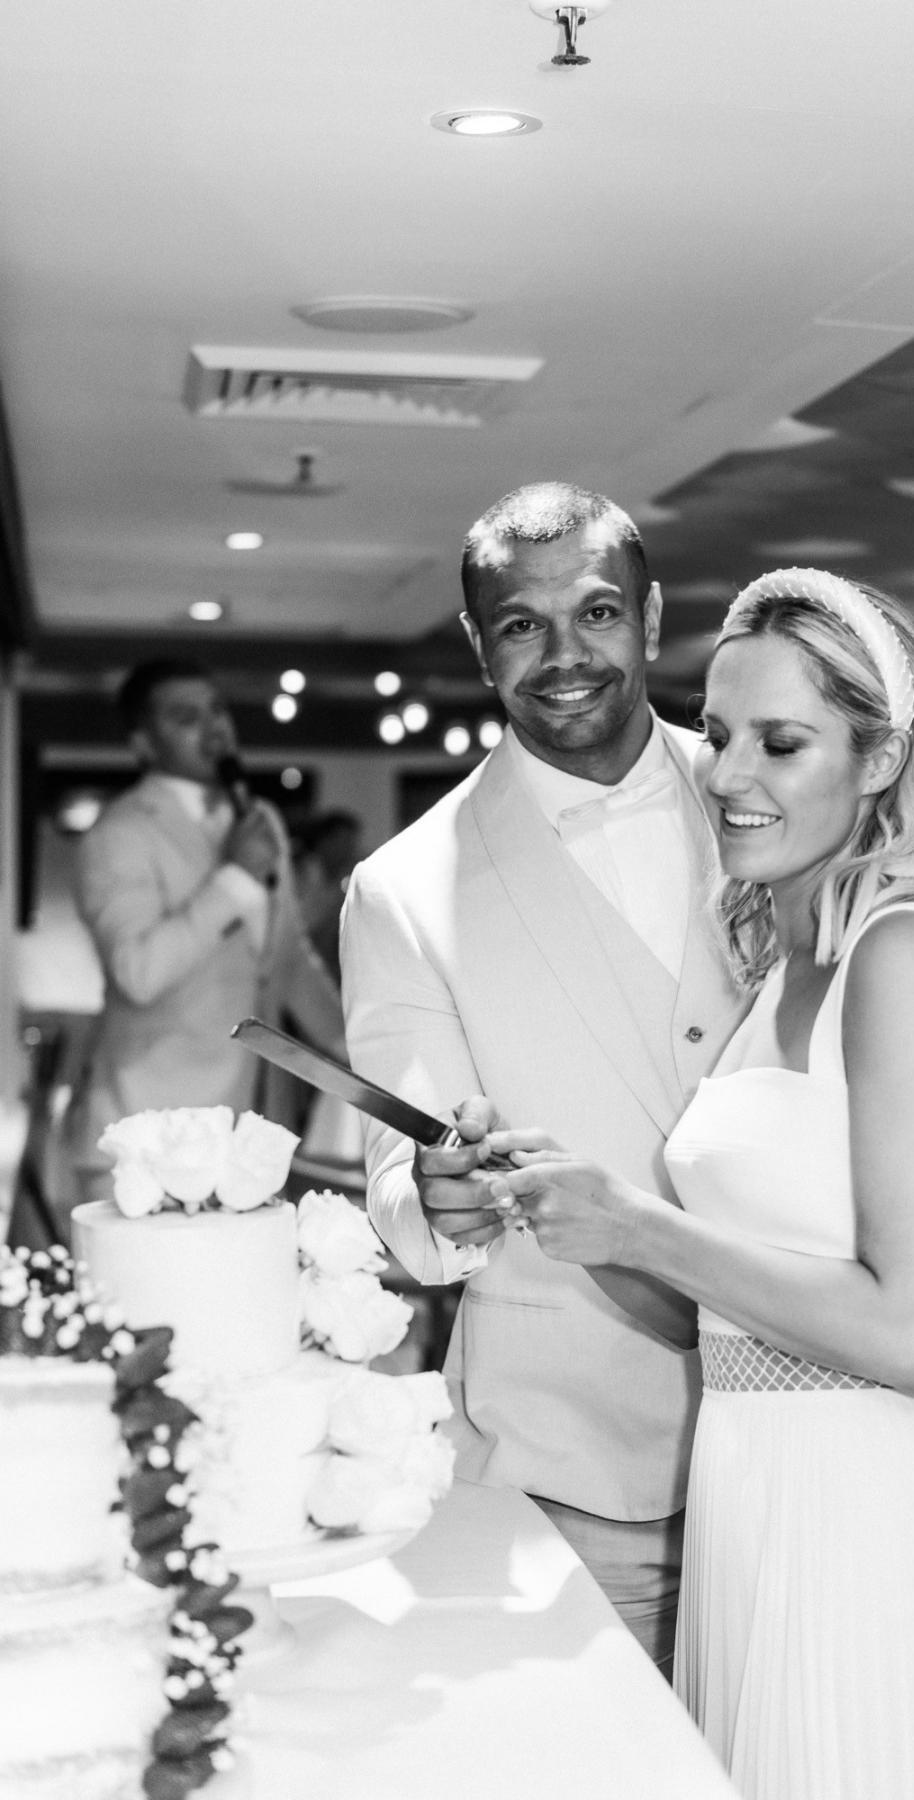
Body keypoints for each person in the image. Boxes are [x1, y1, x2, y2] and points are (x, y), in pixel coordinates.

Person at [477, 568, 914, 1799]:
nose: (726, 775)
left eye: (781, 742)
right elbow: (743, 1309)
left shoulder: (907, 954)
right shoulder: (780, 970)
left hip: (876, 1534)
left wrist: (641, 1226)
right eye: (715, 736)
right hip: (760, 1510)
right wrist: (581, 1212)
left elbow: (913, 1335)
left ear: (878, 761)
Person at [339, 482, 744, 1673]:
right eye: (522, 624)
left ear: (655, 617)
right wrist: (436, 1198)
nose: (565, 656)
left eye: (599, 612)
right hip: (572, 1482)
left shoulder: (775, 801)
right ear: (478, 644)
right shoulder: (402, 890)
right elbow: (405, 1203)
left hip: (805, 1446)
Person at [68, 658, 345, 1195]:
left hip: (248, 1133)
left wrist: (359, 1053)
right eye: (185, 716)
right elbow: (138, 972)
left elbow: (285, 962)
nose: (214, 726)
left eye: (217, 709)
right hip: (146, 1137)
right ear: (144, 743)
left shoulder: (258, 819)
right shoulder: (118, 833)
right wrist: (235, 878)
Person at [289, 808, 363, 982]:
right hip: (292, 961)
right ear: (323, 842)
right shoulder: (299, 872)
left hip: (316, 965)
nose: (349, 849)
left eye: (351, 843)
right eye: (342, 841)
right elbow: (300, 925)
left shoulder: (342, 878)